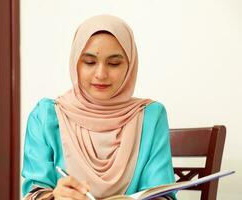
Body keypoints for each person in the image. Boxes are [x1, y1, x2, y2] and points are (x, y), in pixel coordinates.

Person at [22, 14, 176, 200]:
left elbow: (162, 195)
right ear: (75, 64)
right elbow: (32, 193)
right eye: (89, 62)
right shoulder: (45, 116)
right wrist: (54, 197)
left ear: (130, 66)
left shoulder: (151, 116)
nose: (101, 74)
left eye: (114, 63)